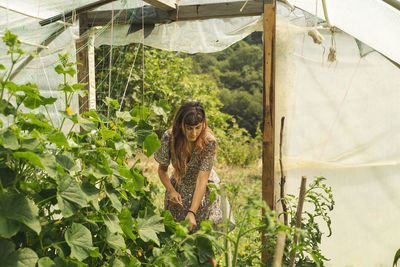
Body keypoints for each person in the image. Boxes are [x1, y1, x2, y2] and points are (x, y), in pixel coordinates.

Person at [154, 101, 224, 234]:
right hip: (180, 188)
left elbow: (202, 179)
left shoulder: (209, 142)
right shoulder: (170, 137)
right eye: (189, 128)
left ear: (203, 124)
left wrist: (192, 212)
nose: (194, 133)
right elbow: (162, 170)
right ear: (181, 125)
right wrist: (172, 191)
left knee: (203, 243)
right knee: (178, 239)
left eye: (198, 127)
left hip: (204, 191)